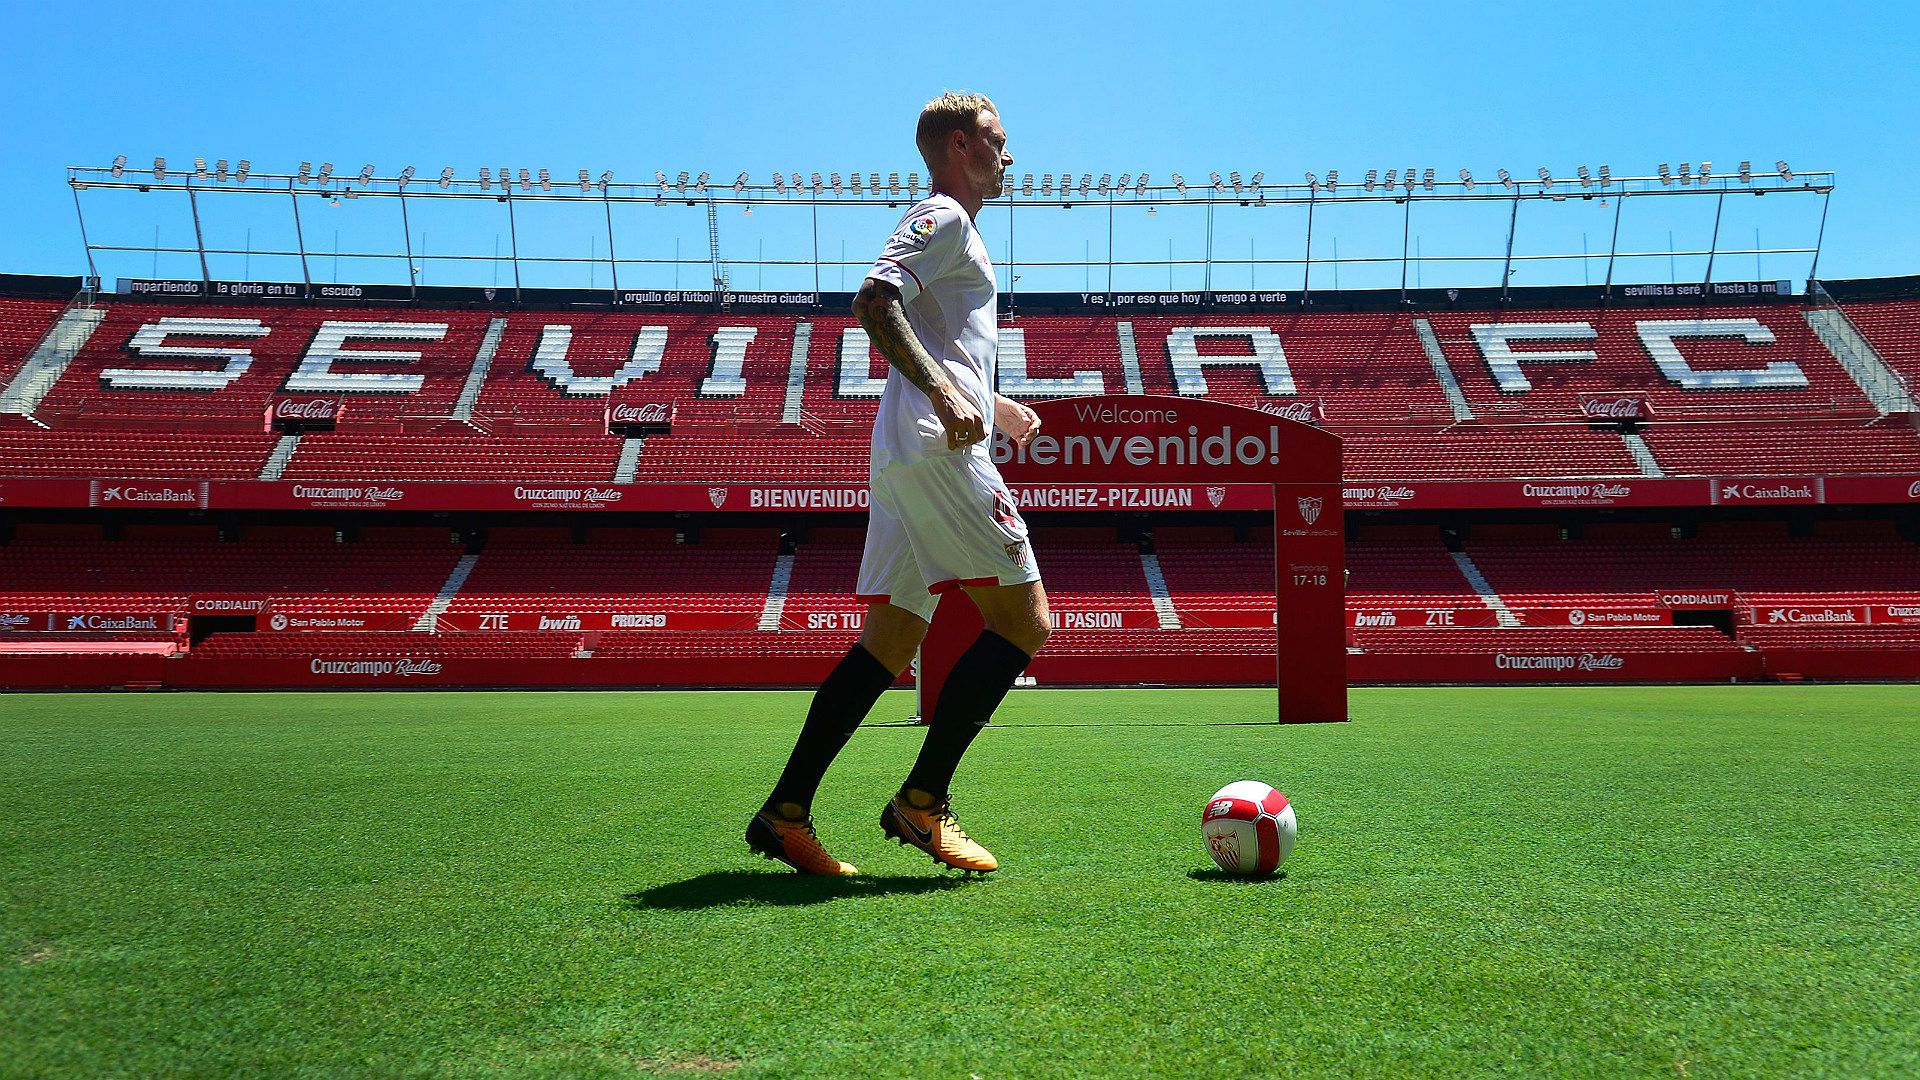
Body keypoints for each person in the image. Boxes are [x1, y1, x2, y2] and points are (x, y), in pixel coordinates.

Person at [747, 91, 1048, 876]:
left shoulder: (963, 236)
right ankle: (921, 802)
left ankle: (784, 815)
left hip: (908, 453)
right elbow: (873, 302)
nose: (1008, 156)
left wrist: (994, 402)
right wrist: (949, 397)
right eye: (998, 141)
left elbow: (944, 347)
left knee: (890, 640)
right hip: (936, 450)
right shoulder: (942, 216)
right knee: (1024, 622)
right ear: (960, 144)